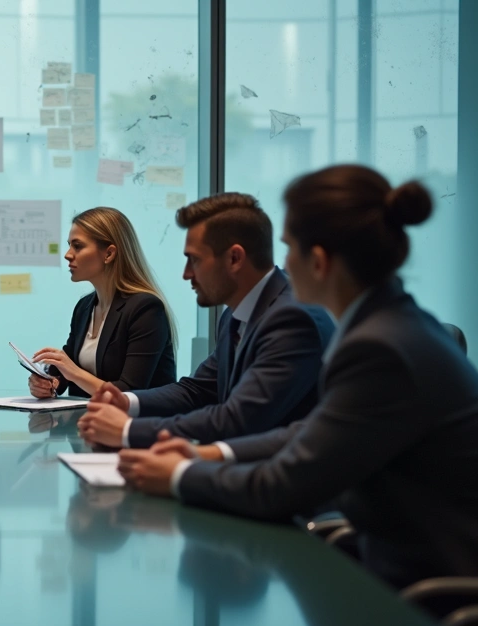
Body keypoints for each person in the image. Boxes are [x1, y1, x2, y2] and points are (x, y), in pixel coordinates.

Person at [118, 165, 478, 588]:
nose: (281, 263)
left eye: (288, 248)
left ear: (320, 261)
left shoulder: (379, 347)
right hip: (387, 563)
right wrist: (210, 455)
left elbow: (281, 487)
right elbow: (312, 432)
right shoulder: (392, 324)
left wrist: (178, 476)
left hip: (417, 594)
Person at [78, 193, 334, 449]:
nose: (186, 273)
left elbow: (239, 418)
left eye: (195, 260)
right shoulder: (234, 315)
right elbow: (197, 390)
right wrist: (128, 402)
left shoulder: (291, 319)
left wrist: (128, 430)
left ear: (235, 258)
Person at [28, 207, 177, 399]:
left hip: (141, 426)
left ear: (109, 254)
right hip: (92, 422)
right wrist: (50, 383)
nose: (67, 254)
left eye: (78, 246)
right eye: (69, 245)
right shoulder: (84, 306)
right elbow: (68, 368)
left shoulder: (146, 309)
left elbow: (129, 392)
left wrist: (73, 372)